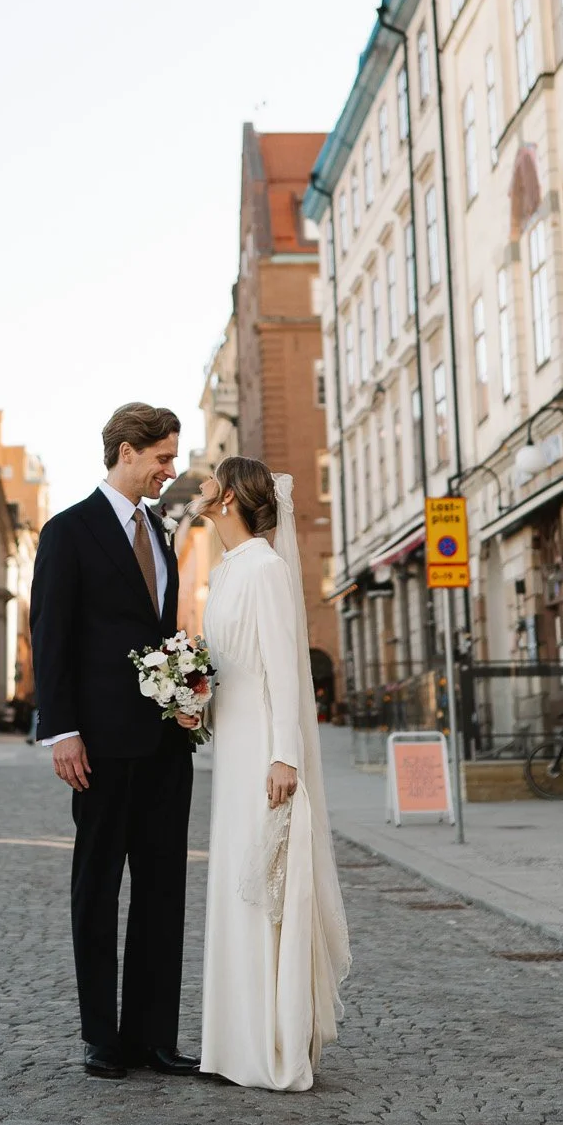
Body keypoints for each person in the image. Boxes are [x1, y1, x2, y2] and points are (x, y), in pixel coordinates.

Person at [30, 401, 195, 1082]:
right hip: (96, 744)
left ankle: (152, 1037)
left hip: (163, 745)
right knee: (97, 890)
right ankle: (103, 1037)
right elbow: (51, 635)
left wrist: (190, 685)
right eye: (162, 458)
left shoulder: (159, 530)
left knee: (162, 892)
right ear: (126, 452)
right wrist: (61, 730)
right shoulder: (68, 531)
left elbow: (157, 632)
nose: (170, 470)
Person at [188, 457, 350, 1092]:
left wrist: (286, 753)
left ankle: (268, 1043)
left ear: (226, 496)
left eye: (206, 482)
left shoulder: (264, 568)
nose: (198, 489)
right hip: (230, 747)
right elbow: (229, 663)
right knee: (233, 882)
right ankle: (231, 1044)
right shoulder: (227, 571)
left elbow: (285, 666)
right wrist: (192, 700)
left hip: (262, 749)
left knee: (264, 886)